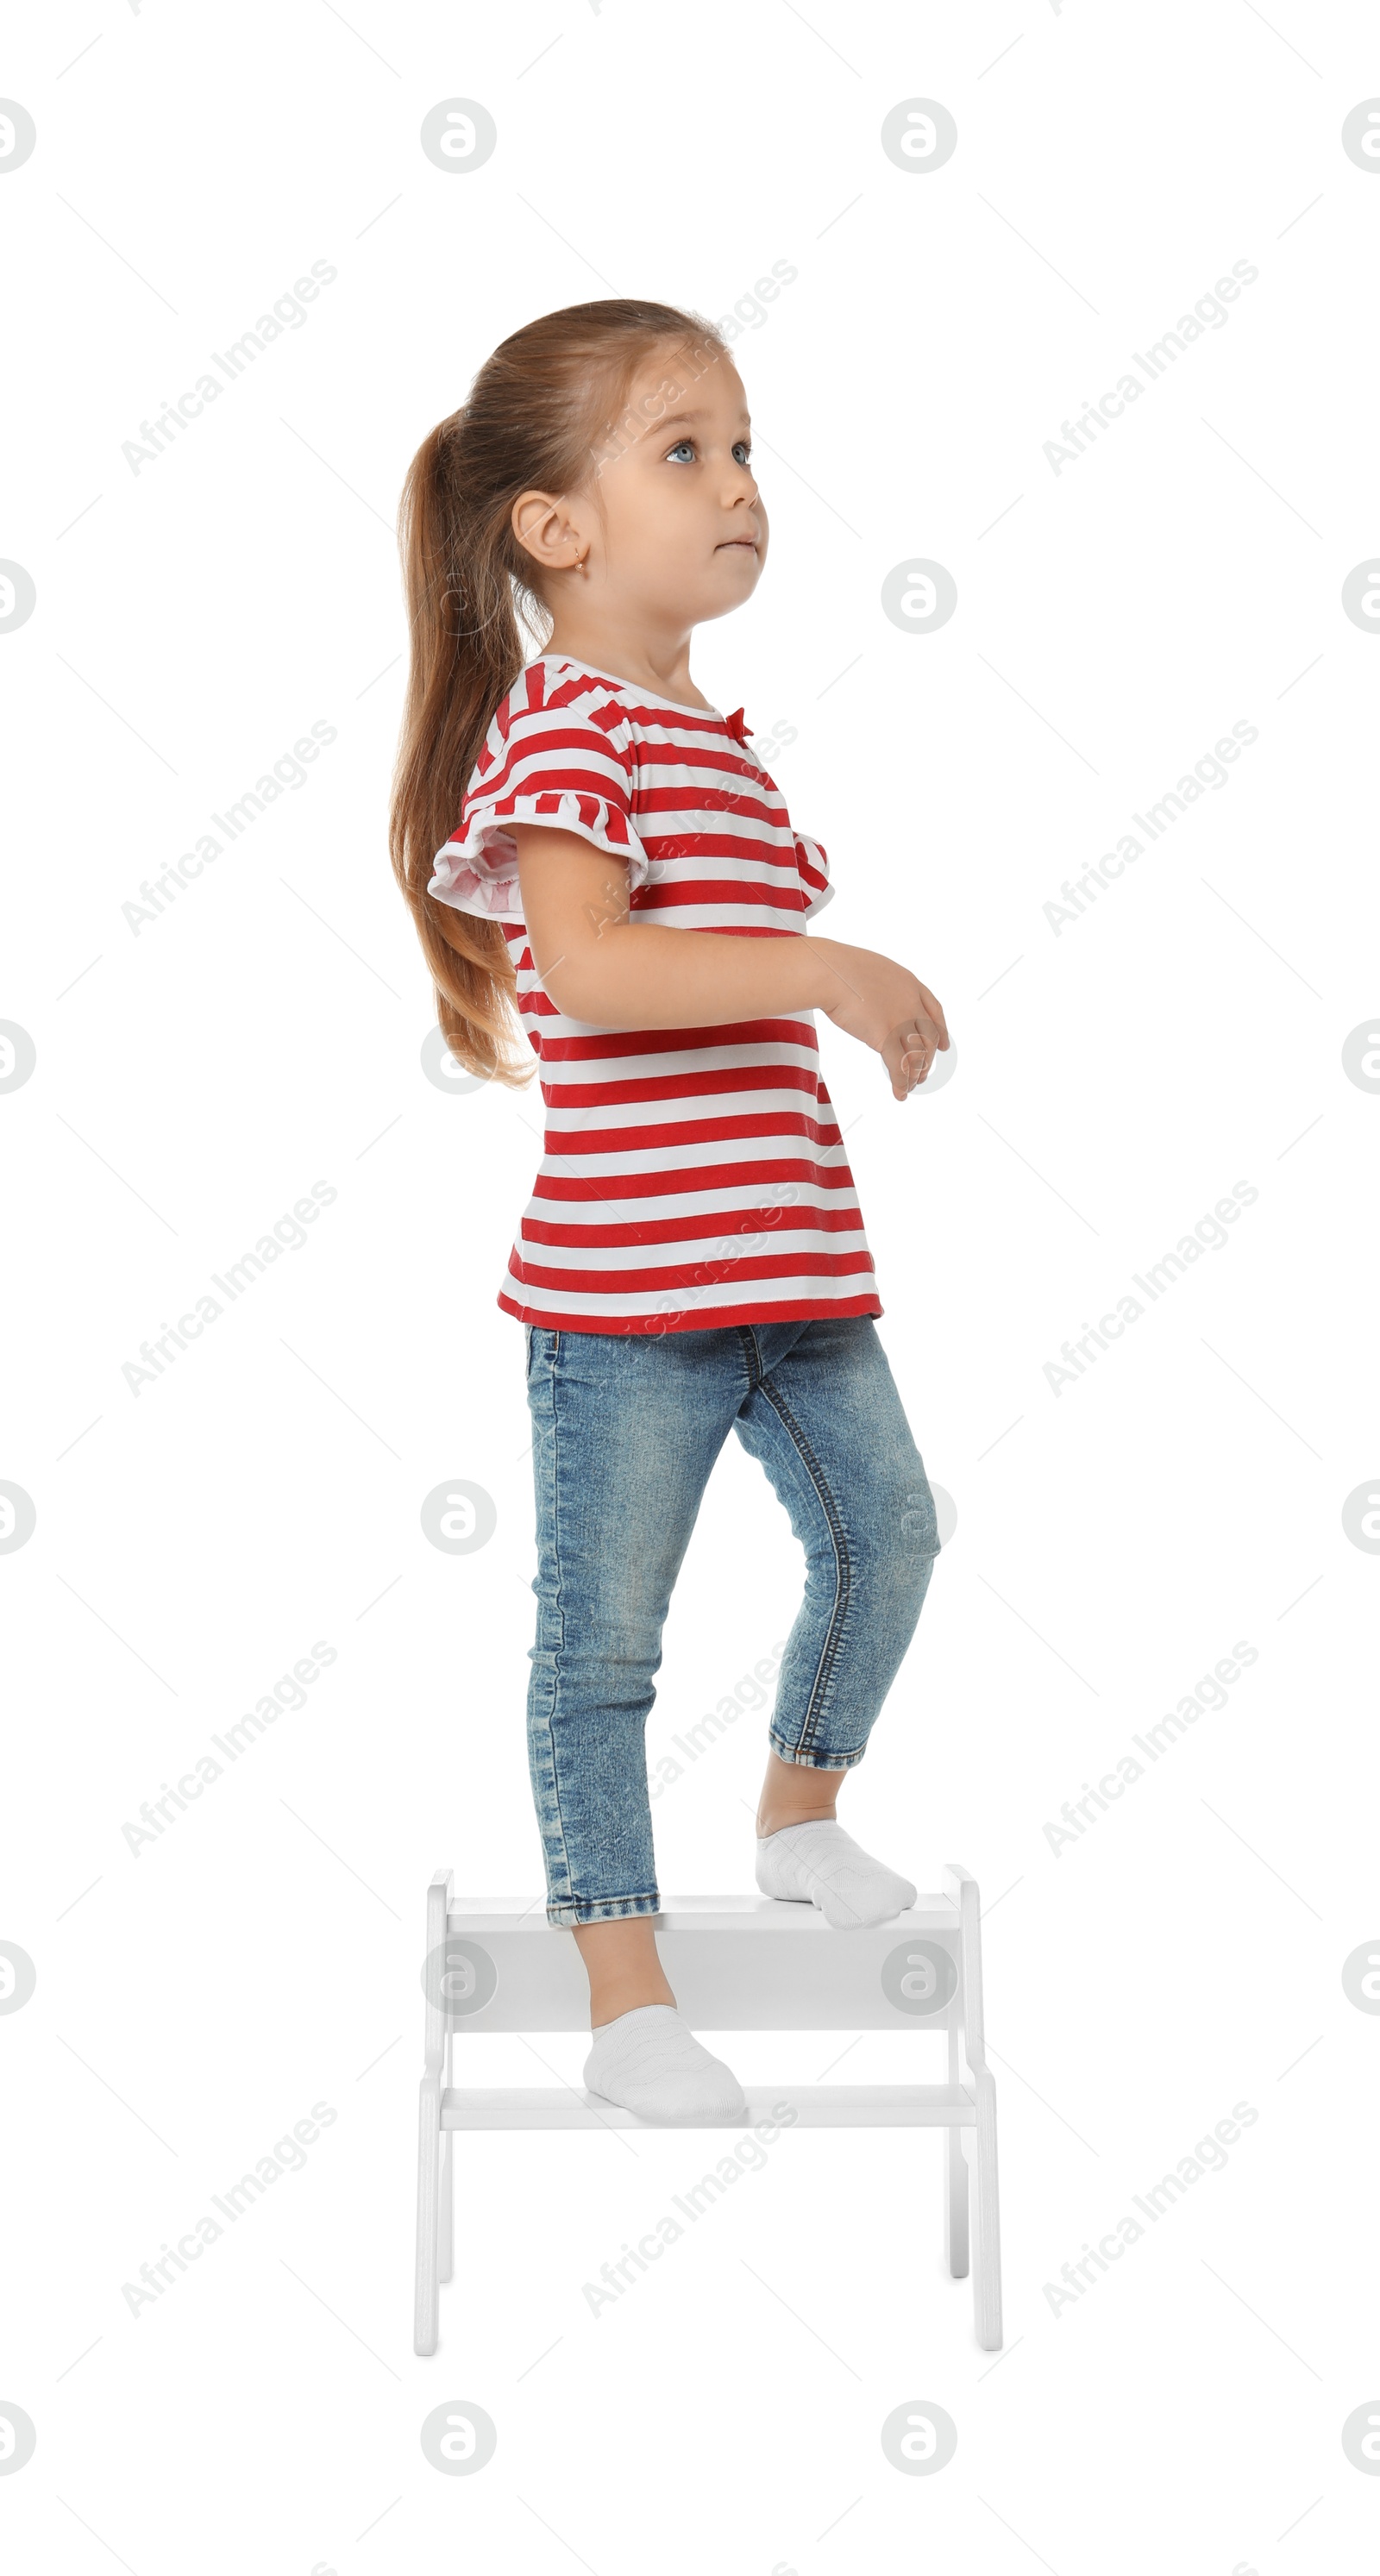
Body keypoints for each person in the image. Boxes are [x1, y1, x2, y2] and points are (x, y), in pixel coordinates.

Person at [390, 298, 950, 2123]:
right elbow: (594, 967)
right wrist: (828, 964)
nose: (739, 487)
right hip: (629, 1297)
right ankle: (623, 1989)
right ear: (553, 529)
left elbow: (708, 964)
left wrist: (817, 974)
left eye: (742, 447)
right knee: (603, 1647)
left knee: (890, 1535)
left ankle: (800, 1811)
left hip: (790, 1264)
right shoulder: (563, 726)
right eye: (685, 451)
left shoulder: (711, 733)